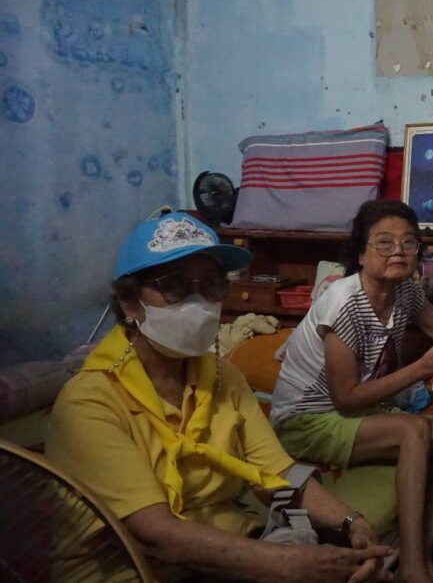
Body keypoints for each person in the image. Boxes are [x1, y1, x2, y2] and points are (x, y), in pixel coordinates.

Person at [46, 212, 391, 582]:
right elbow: (157, 536)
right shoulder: (90, 402)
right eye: (175, 286)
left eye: (211, 285)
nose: (198, 303)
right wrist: (290, 564)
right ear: (130, 304)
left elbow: (276, 473)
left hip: (226, 550)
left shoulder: (222, 376)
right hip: (140, 570)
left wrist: (352, 522)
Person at [270, 200, 433, 583]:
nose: (399, 252)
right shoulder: (343, 303)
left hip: (353, 412)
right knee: (413, 430)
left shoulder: (406, 292)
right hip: (306, 420)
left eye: (409, 243)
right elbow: (345, 397)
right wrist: (421, 369)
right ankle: (413, 569)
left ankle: (418, 555)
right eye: (385, 242)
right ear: (361, 253)